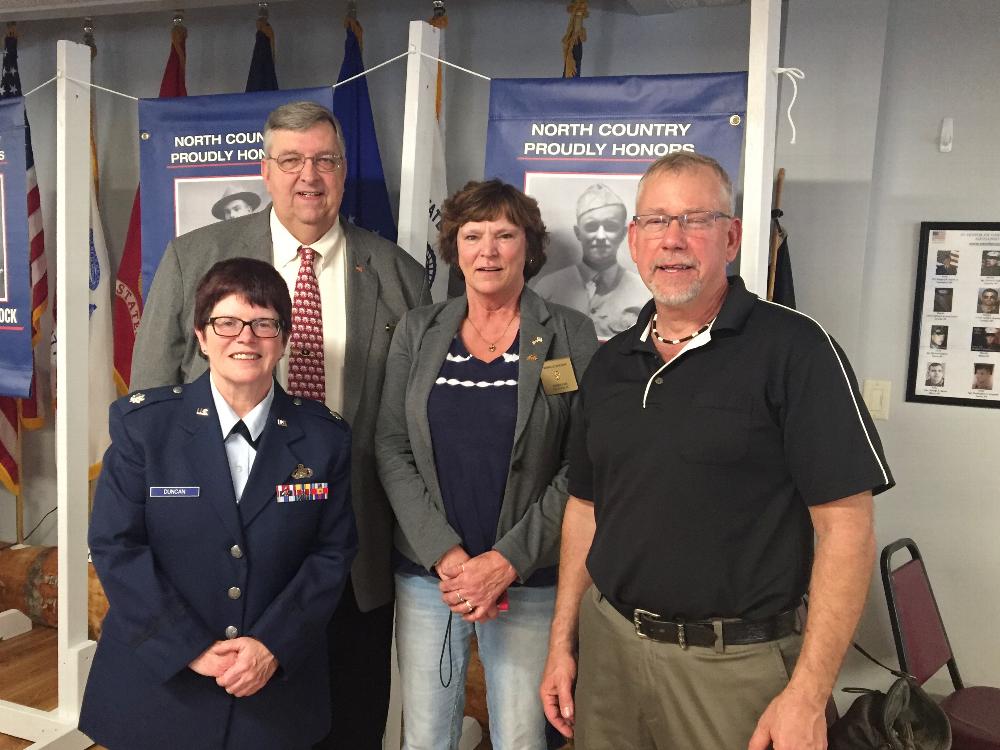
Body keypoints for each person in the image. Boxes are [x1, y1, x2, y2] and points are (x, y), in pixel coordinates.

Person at [539, 153, 894, 750]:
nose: (673, 239)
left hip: (735, 670)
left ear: (730, 238)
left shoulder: (796, 350)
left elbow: (847, 528)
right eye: (656, 221)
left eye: (695, 220)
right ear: (635, 240)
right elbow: (585, 508)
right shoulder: (611, 362)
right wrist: (562, 641)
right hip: (609, 655)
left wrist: (808, 694)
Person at [131, 101, 430, 750]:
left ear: (344, 171)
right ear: (265, 171)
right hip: (223, 554)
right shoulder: (194, 259)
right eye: (290, 160)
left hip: (348, 552)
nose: (308, 176)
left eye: (324, 160)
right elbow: (151, 408)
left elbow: (416, 424)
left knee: (348, 724)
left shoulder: (399, 275)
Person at [80, 259, 357, 749]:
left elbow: (332, 554)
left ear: (284, 339)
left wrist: (272, 645)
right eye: (227, 322)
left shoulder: (324, 438)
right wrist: (189, 647)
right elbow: (115, 545)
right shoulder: (145, 428)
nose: (245, 338)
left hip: (271, 687)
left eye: (264, 323)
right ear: (201, 337)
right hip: (160, 682)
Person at [376, 180, 598, 749]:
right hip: (432, 578)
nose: (488, 251)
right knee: (426, 738)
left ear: (529, 247)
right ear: (454, 247)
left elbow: (582, 463)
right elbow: (392, 447)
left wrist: (506, 561)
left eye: (505, 235)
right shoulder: (418, 331)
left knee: (521, 738)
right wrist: (446, 556)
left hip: (530, 576)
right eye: (473, 236)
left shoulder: (568, 333)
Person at [532, 183, 648, 339]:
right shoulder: (548, 288)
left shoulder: (644, 292)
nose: (600, 236)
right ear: (578, 232)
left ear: (623, 233)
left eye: (610, 226)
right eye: (591, 226)